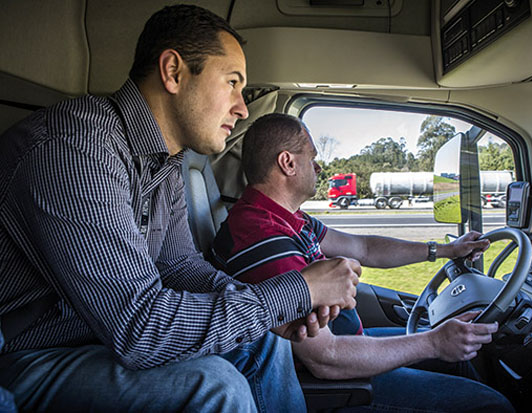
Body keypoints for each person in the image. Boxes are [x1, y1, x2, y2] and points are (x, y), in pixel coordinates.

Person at [0, 5, 361, 412]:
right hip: (29, 354)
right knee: (215, 386)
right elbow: (138, 329)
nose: (242, 108)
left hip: (90, 339)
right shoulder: (77, 148)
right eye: (232, 83)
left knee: (262, 339)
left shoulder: (165, 163)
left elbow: (179, 267)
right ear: (173, 71)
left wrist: (267, 307)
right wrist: (296, 289)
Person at [212, 112, 516, 412]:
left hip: (348, 342)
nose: (318, 166)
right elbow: (324, 358)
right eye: (311, 157)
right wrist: (435, 343)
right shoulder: (261, 235)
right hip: (329, 379)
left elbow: (364, 248)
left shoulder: (290, 219)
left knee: (464, 358)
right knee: (491, 405)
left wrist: (446, 251)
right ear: (287, 163)